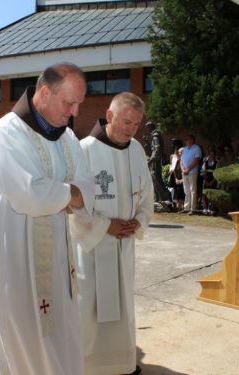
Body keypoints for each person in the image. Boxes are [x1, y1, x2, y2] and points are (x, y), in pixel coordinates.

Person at [0, 62, 94, 375]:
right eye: (69, 103)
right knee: (27, 344)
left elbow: (87, 183)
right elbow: (28, 194)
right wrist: (71, 194)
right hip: (18, 264)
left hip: (58, 258)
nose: (74, 112)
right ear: (44, 93)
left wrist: (66, 193)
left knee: (63, 338)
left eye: (79, 104)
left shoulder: (67, 137)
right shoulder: (6, 133)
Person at [71, 92, 153, 375]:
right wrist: (107, 225)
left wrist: (138, 222)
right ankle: (89, 368)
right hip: (92, 248)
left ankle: (122, 364)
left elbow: (147, 197)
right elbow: (72, 202)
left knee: (123, 307)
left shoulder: (137, 150)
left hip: (123, 246)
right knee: (90, 309)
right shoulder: (83, 150)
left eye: (136, 124)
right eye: (126, 122)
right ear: (109, 116)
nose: (131, 130)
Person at [180, 134, 202, 215]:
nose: (186, 141)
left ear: (192, 140)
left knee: (193, 190)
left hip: (192, 172)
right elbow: (181, 160)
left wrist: (188, 169)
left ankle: (193, 208)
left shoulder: (196, 148)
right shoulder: (185, 149)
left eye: (187, 139)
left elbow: (196, 161)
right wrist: (183, 169)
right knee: (186, 190)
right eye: (185, 139)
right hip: (184, 173)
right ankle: (186, 207)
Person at [201, 149, 218, 215]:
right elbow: (203, 172)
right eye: (210, 154)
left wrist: (213, 181)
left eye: (212, 154)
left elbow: (217, 172)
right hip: (207, 178)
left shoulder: (217, 162)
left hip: (213, 178)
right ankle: (206, 208)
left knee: (213, 194)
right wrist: (205, 181)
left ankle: (212, 209)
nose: (211, 155)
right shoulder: (205, 162)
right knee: (206, 194)